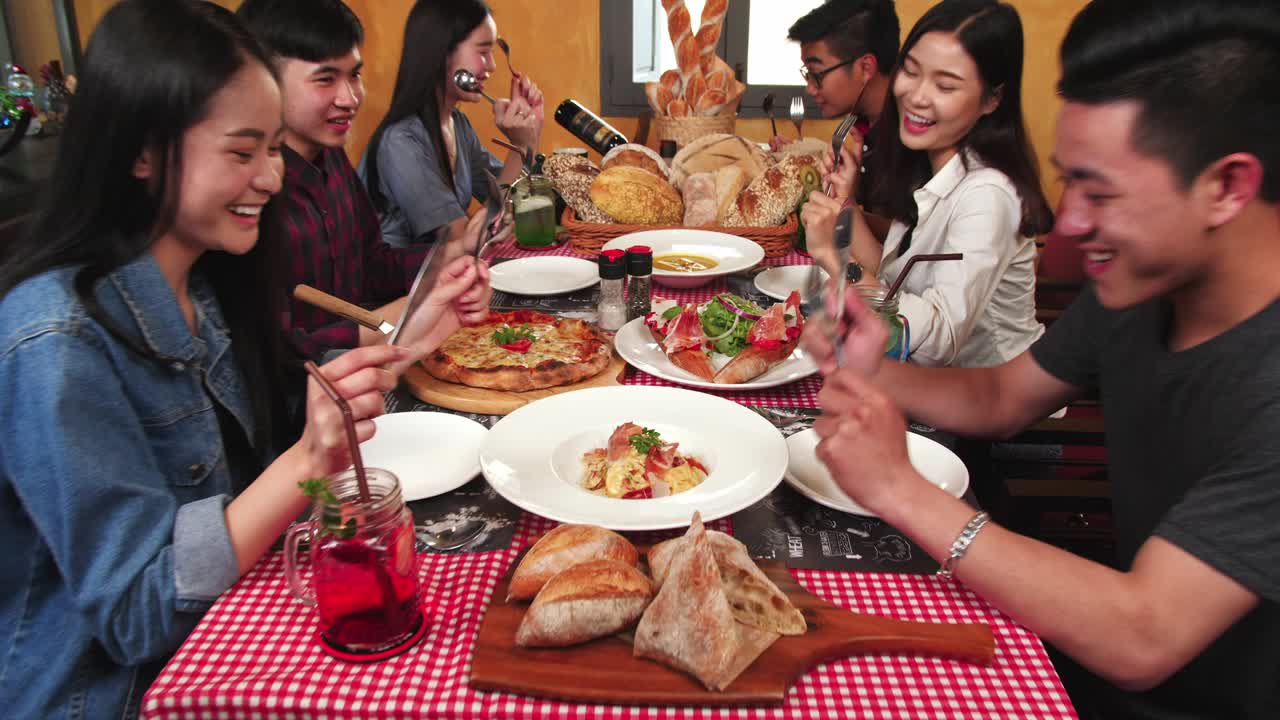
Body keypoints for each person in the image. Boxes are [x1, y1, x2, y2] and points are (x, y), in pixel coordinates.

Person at [0, 2, 488, 717]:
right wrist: (304, 460)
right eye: (242, 152)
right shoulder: (56, 344)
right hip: (126, 691)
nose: (271, 177)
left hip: (232, 619)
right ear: (143, 149)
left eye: (270, 150)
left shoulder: (204, 281)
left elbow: (286, 415)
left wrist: (416, 333)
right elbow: (137, 614)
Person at [805, 0, 1280, 716]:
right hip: (1096, 641)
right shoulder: (1139, 289)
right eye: (1071, 179)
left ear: (1227, 186)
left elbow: (1142, 635)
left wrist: (898, 488)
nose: (1071, 220)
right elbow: (1002, 398)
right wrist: (868, 364)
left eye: (1101, 191)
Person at [802, 0, 1053, 368]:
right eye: (911, 71)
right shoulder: (930, 165)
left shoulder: (989, 195)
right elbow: (892, 278)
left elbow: (935, 340)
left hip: (986, 402)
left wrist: (836, 262)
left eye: (945, 86)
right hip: (924, 386)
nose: (916, 96)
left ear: (992, 99)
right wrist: (845, 206)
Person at [235, 0, 489, 362]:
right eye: (325, 79)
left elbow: (370, 267)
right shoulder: (249, 195)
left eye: (354, 75)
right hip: (311, 393)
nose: (350, 98)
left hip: (372, 359)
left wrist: (444, 259)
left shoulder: (333, 158)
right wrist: (404, 312)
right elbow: (281, 354)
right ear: (264, 82)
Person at [360, 0, 544, 248]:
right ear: (441, 53)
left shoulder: (457, 124)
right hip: (406, 284)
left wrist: (532, 132)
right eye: (482, 51)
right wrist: (519, 147)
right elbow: (462, 240)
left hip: (449, 276)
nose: (492, 65)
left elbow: (512, 197)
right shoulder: (400, 142)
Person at [774, 0, 900, 160]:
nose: (809, 89)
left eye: (816, 74)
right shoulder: (862, 123)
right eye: (807, 74)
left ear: (865, 68)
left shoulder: (907, 143)